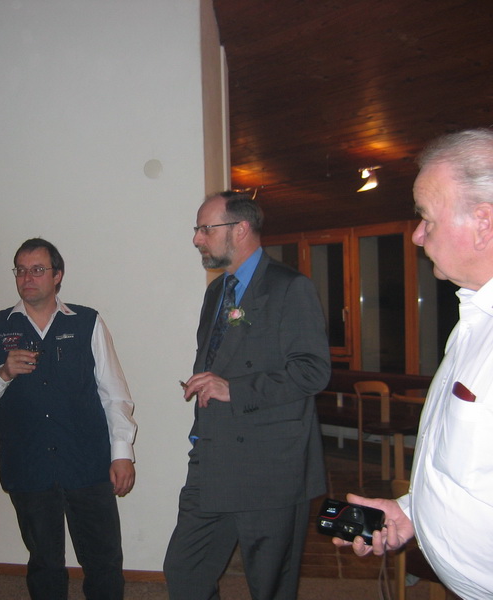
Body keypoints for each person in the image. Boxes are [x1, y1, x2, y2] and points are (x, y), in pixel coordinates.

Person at [333, 128, 493, 599]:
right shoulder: (474, 321)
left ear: (483, 223)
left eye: (426, 217)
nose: (418, 235)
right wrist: (410, 512)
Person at [163, 191, 331, 600]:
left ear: (240, 229)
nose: (197, 239)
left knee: (270, 587)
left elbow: (312, 371)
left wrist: (233, 389)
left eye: (205, 229)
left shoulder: (290, 287)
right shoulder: (216, 292)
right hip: (212, 459)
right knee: (184, 571)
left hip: (269, 467)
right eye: (198, 230)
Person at [0, 237, 137, 600]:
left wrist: (122, 453)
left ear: (57, 276)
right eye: (21, 270)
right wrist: (3, 373)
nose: (28, 278)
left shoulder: (88, 322)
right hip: (27, 463)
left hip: (87, 462)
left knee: (103, 560)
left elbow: (115, 392)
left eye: (38, 270)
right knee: (44, 562)